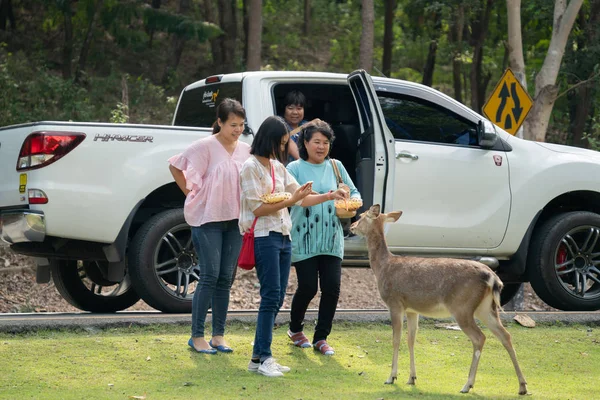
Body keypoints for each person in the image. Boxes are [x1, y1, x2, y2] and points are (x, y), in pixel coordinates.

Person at [239, 116, 348, 377]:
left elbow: (302, 198)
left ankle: (258, 357)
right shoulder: (250, 167)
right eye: (282, 142)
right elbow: (258, 207)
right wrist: (290, 199)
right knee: (270, 296)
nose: (284, 148)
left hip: (284, 235)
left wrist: (329, 195)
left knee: (275, 297)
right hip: (265, 235)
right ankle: (264, 356)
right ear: (270, 140)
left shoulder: (277, 167)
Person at [168, 98, 250, 355]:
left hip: (234, 220)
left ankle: (219, 335)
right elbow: (175, 165)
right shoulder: (205, 146)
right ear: (220, 122)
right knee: (209, 275)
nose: (237, 129)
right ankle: (197, 336)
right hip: (206, 219)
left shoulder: (246, 150)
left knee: (226, 278)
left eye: (241, 125)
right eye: (233, 124)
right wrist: (191, 193)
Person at [286, 121, 361, 356]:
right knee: (307, 287)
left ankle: (321, 337)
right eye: (316, 142)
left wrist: (350, 197)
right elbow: (296, 198)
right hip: (304, 237)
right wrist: (330, 195)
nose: (321, 147)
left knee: (332, 288)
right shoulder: (294, 168)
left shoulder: (336, 166)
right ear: (305, 143)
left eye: (326, 143)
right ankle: (295, 330)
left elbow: (355, 192)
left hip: (331, 238)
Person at [280, 90, 321, 162]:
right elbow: (285, 140)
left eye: (299, 108)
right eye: (290, 108)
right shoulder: (278, 125)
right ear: (284, 109)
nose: (295, 112)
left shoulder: (309, 125)